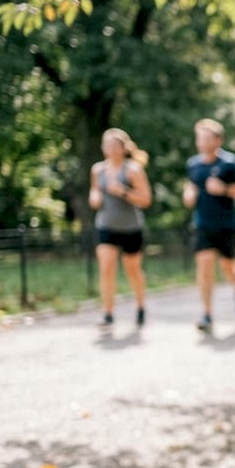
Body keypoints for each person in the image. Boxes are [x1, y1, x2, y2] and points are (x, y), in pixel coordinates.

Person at [183, 118, 235, 334]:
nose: (201, 142)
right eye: (199, 138)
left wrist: (224, 189)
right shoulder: (193, 165)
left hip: (226, 224)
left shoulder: (230, 163)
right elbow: (189, 188)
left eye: (206, 138)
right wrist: (189, 194)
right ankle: (207, 314)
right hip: (203, 224)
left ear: (218, 140)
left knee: (228, 267)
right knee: (204, 266)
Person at [88, 128, 152, 329]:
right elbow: (95, 193)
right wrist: (94, 198)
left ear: (123, 148)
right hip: (106, 226)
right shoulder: (97, 170)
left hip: (130, 228)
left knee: (132, 270)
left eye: (115, 145)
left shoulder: (132, 169)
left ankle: (141, 306)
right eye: (106, 145)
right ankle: (107, 313)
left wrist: (123, 191)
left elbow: (146, 199)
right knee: (106, 268)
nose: (110, 149)